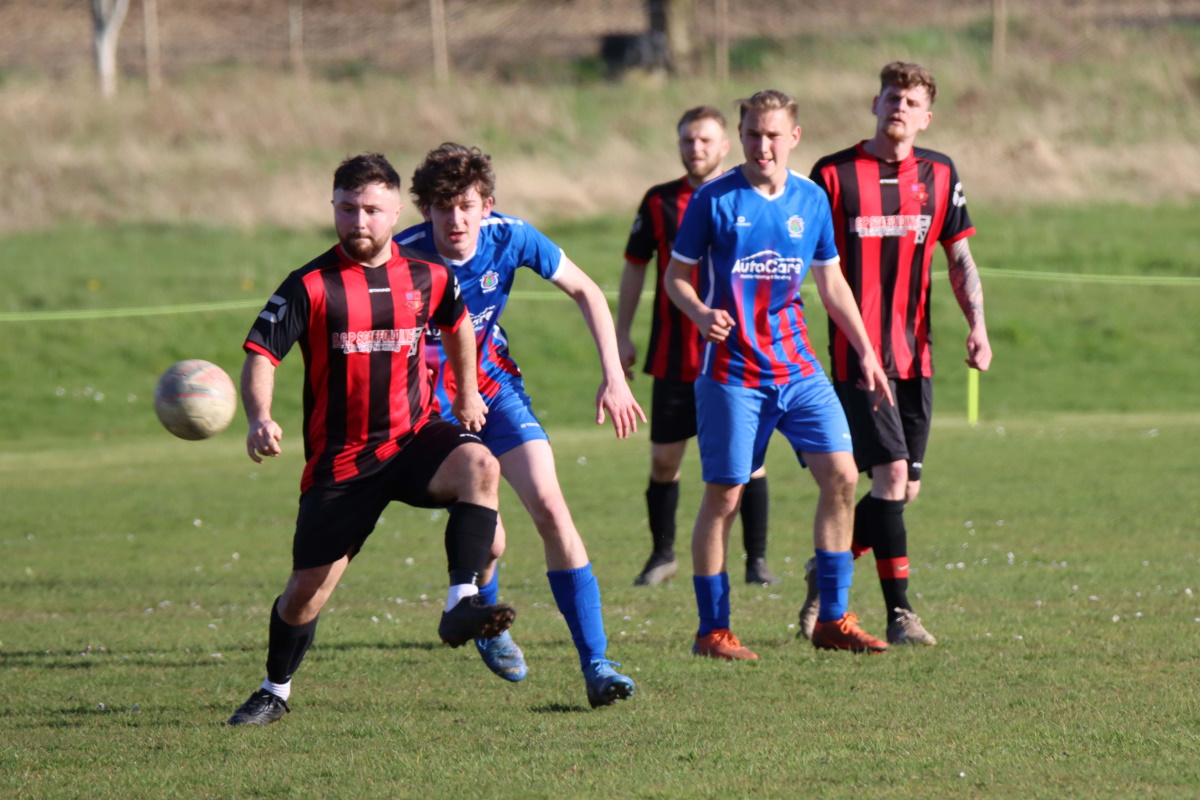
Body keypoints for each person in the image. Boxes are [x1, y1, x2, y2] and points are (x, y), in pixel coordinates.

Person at [226, 153, 516, 726]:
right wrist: (260, 416)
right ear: (333, 208)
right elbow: (261, 353)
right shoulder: (310, 285)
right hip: (343, 461)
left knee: (480, 466)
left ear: (395, 212)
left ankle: (461, 603)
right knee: (305, 593)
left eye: (371, 210)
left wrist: (464, 394)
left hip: (413, 437)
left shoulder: (428, 276)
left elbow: (457, 323)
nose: (359, 221)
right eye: (347, 208)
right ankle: (274, 691)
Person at [394, 143, 646, 708]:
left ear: (487, 205)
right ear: (425, 211)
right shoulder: (401, 257)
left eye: (466, 205)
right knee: (494, 539)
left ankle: (598, 666)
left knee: (553, 509)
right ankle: (487, 615)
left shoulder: (513, 237)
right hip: (428, 402)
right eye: (441, 207)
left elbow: (585, 290)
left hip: (494, 387)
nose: (455, 220)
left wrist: (615, 375)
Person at [664, 89, 895, 660]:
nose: (761, 145)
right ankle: (712, 630)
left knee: (842, 476)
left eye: (772, 134)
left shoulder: (812, 200)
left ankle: (833, 618)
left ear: (793, 137)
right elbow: (675, 278)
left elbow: (832, 282)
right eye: (751, 134)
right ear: (740, 136)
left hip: (798, 368)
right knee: (725, 496)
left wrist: (865, 349)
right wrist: (699, 312)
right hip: (733, 373)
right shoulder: (713, 201)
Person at [801, 62, 992, 646]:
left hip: (918, 357)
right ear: (875, 104)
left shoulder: (940, 173)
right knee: (887, 477)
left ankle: (827, 566)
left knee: (905, 489)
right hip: (859, 357)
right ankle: (900, 614)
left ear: (926, 116)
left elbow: (958, 256)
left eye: (911, 102)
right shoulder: (832, 174)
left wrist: (978, 326)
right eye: (891, 98)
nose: (899, 108)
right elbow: (808, 260)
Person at [617, 105, 779, 588]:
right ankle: (662, 556)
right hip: (675, 356)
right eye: (688, 140)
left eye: (706, 140)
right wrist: (622, 333)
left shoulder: (746, 196)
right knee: (665, 460)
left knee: (749, 460)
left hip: (736, 358)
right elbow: (634, 267)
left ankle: (756, 561)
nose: (696, 149)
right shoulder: (659, 201)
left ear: (725, 145)